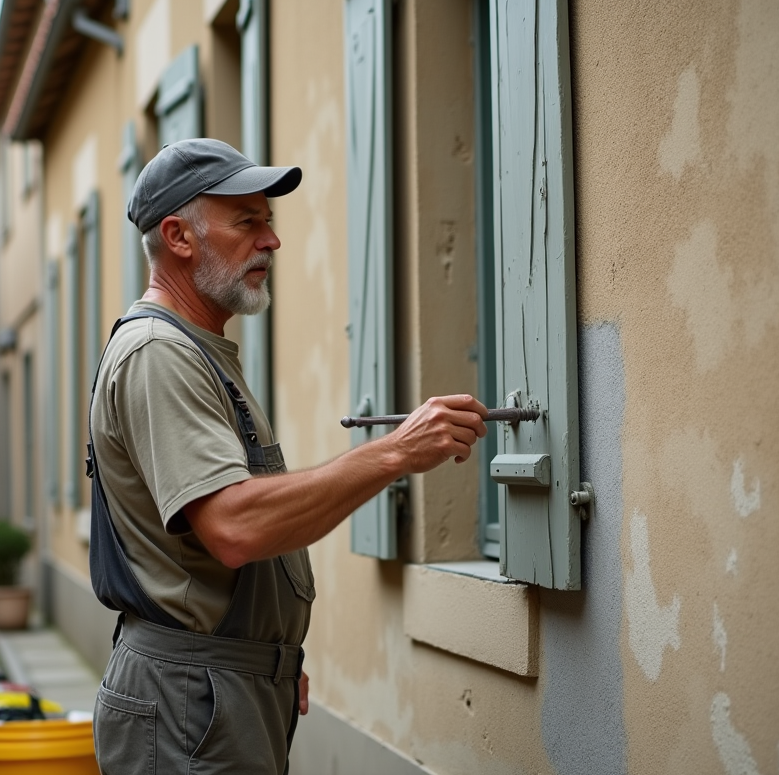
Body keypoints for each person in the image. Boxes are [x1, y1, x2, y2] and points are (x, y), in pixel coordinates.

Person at [89, 138, 489, 774]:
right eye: (247, 221)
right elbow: (235, 526)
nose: (270, 240)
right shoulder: (159, 354)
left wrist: (266, 653)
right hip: (190, 697)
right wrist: (395, 454)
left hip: (222, 682)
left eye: (268, 221)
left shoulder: (197, 348)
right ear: (179, 237)